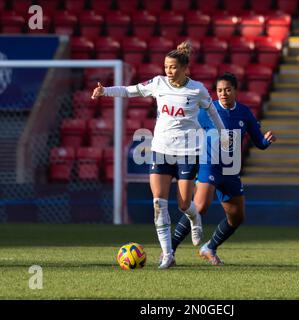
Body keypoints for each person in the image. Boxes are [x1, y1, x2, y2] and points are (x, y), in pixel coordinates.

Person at [91, 41, 228, 269]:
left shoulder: (197, 90)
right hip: (161, 150)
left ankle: (195, 218)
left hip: (188, 152)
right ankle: (167, 254)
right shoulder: (158, 83)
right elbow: (130, 90)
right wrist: (105, 91)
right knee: (158, 203)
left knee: (184, 205)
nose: (169, 71)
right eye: (166, 66)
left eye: (173, 67)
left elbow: (212, 111)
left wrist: (223, 134)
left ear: (185, 68)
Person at [169, 72, 277, 265]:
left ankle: (209, 247)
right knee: (200, 207)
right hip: (208, 165)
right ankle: (169, 251)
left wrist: (266, 141)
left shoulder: (244, 112)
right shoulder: (206, 111)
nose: (223, 93)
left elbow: (258, 142)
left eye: (227, 89)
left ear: (235, 90)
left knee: (236, 217)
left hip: (231, 170)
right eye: (219, 90)